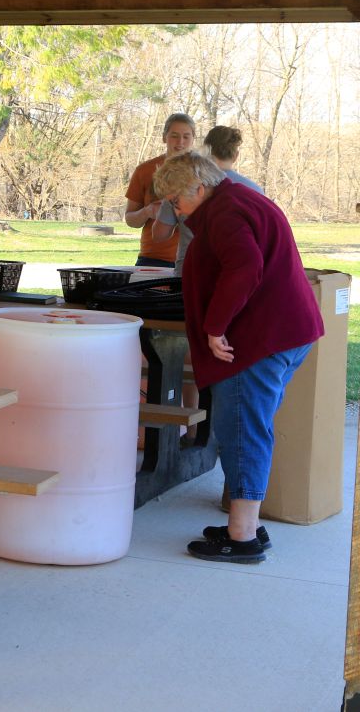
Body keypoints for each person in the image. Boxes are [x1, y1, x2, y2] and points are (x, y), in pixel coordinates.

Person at [152, 150, 323, 564]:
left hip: (258, 339)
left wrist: (214, 326)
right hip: (285, 331)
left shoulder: (226, 211)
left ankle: (242, 535)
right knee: (251, 426)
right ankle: (248, 525)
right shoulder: (239, 199)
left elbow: (244, 267)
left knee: (242, 429)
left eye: (178, 200)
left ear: (199, 186)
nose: (177, 209)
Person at [153, 125, 263, 274]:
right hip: (217, 274)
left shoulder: (184, 184)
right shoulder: (255, 190)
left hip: (205, 273)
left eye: (176, 203)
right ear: (236, 155)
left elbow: (160, 234)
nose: (179, 212)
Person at [123, 112, 196, 267]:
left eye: (186, 136)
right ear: (164, 137)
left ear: (193, 139)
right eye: (174, 136)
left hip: (193, 259)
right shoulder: (144, 171)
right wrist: (147, 211)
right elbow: (130, 219)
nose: (180, 142)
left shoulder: (204, 173)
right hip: (153, 258)